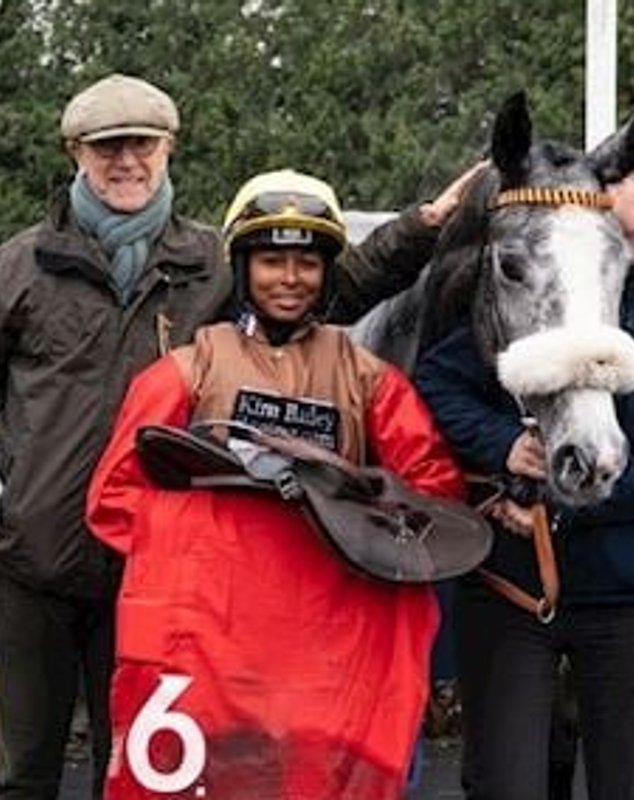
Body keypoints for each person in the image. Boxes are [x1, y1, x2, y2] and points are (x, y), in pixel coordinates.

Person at [0, 73, 474, 800]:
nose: (127, 161)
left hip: (154, 581)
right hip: (35, 563)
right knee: (23, 775)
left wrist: (422, 228)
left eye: (143, 145)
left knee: (135, 773)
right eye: (108, 148)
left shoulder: (214, 262)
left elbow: (319, 284)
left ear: (169, 150)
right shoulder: (16, 268)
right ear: (75, 153)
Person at [86, 168, 464, 799]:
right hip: (215, 643)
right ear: (242, 267)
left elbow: (433, 494)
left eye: (307, 263)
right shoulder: (186, 371)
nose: (290, 279)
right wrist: (230, 545)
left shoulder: (368, 379)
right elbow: (113, 499)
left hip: (324, 651)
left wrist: (350, 498)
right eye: (271, 261)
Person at [414, 125, 634, 799]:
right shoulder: (530, 283)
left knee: (632, 786)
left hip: (630, 597)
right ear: (605, 192)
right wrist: (503, 447)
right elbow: (440, 383)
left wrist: (557, 495)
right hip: (512, 594)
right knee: (505, 785)